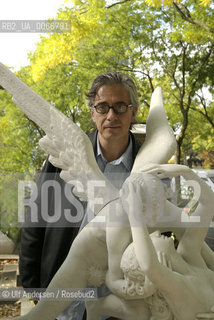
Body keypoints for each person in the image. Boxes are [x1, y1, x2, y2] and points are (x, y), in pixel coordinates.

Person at [19, 71, 141, 320]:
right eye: (102, 107)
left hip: (118, 302)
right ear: (92, 113)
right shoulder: (62, 159)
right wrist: (33, 284)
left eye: (120, 106)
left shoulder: (148, 166)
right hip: (60, 295)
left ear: (134, 111)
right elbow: (36, 220)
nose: (111, 115)